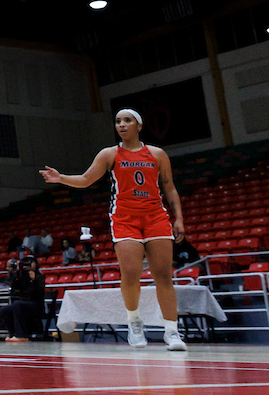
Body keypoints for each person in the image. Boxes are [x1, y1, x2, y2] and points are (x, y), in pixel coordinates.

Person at [41, 108, 188, 351]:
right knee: (130, 273)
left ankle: (171, 331)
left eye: (127, 120)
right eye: (118, 121)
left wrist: (179, 218)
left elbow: (170, 187)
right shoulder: (110, 154)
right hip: (124, 218)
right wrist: (61, 178)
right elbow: (87, 179)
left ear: (139, 125)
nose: (121, 124)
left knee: (163, 275)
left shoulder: (157, 154)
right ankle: (134, 323)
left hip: (155, 217)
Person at [0, 254, 46, 342]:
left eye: (30, 262)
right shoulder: (21, 276)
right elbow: (14, 288)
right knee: (5, 309)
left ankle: (20, 335)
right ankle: (12, 333)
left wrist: (34, 280)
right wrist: (16, 274)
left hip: (36, 305)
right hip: (23, 304)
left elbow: (40, 294)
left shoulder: (39, 277)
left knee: (17, 304)